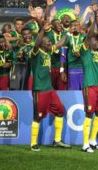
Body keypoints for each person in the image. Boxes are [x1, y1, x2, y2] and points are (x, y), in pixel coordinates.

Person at [30, 21, 70, 151]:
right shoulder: (35, 53)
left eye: (49, 43)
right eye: (47, 42)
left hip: (49, 89)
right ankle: (33, 143)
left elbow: (60, 43)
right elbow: (36, 43)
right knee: (38, 116)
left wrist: (68, 32)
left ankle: (57, 140)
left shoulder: (48, 52)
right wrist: (42, 30)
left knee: (60, 110)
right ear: (42, 44)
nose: (50, 44)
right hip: (39, 89)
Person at [80, 8, 98, 153]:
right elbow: (89, 35)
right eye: (94, 41)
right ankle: (85, 144)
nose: (96, 42)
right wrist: (93, 21)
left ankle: (92, 140)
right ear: (89, 43)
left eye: (97, 41)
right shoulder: (85, 52)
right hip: (89, 86)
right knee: (89, 114)